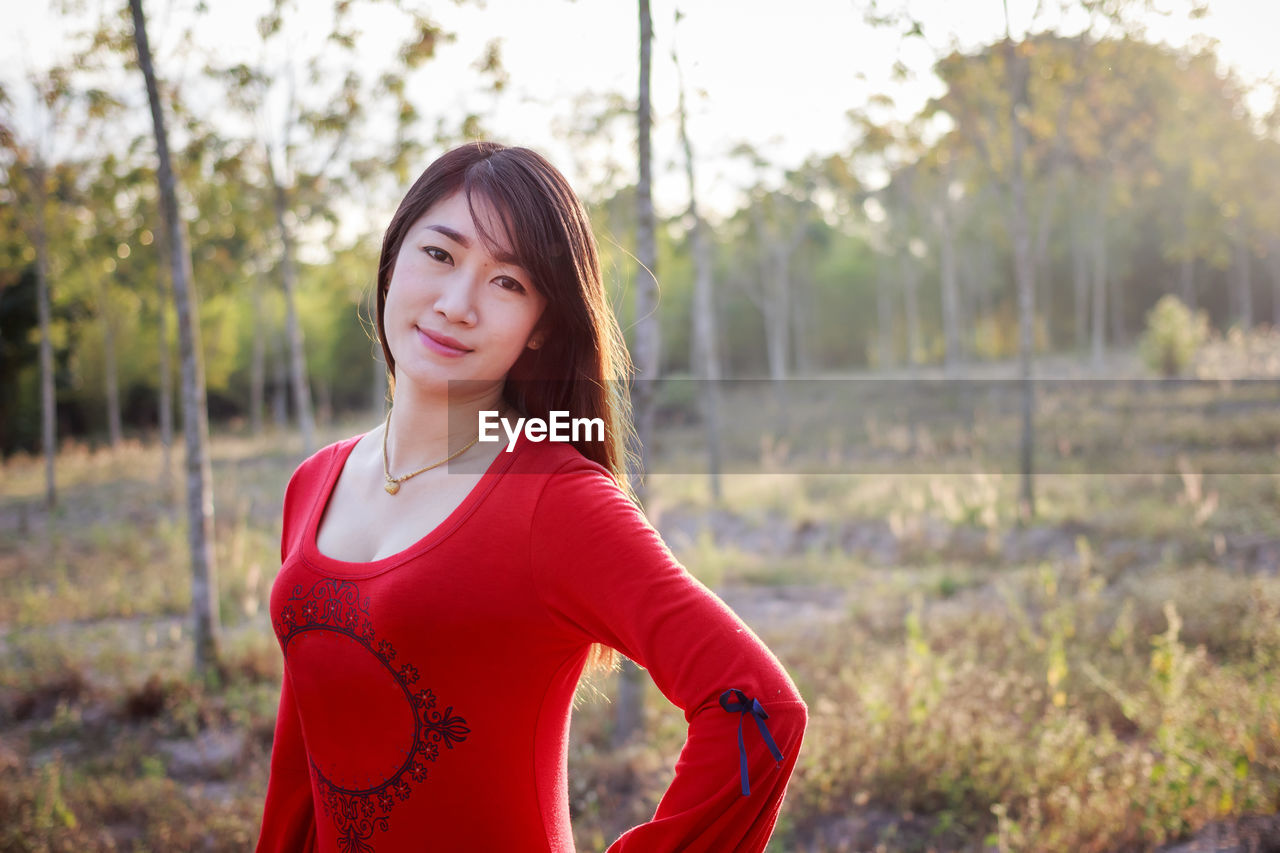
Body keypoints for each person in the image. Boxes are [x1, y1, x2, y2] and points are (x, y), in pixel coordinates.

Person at [254, 141, 808, 852]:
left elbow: (759, 706)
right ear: (393, 259)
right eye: (440, 255)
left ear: (542, 324)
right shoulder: (314, 481)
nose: (457, 304)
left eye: (507, 283)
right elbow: (306, 746)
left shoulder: (555, 500)